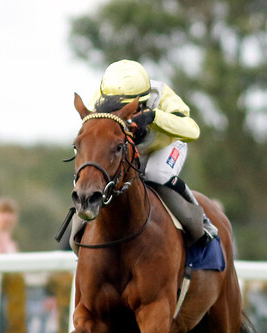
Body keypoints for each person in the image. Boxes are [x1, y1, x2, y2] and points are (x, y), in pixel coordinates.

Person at [88, 59, 217, 245]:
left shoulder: (162, 95)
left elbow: (192, 130)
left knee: (156, 173)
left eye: (129, 108)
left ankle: (202, 221)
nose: (123, 113)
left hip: (165, 145)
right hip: (126, 149)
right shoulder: (99, 98)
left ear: (144, 100)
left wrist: (153, 117)